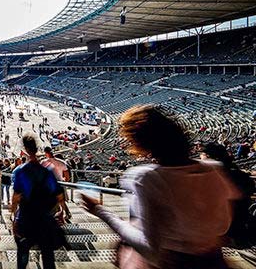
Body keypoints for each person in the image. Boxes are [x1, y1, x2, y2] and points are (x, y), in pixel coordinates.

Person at [82, 105, 241, 269]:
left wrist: (101, 212)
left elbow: (151, 252)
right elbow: (224, 225)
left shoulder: (147, 178)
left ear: (141, 144)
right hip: (215, 261)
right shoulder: (214, 169)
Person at [11, 134, 67, 269]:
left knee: (22, 253)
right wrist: (62, 211)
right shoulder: (47, 171)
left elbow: (16, 198)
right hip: (44, 220)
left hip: (26, 219)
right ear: (36, 149)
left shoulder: (20, 172)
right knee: (48, 257)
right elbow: (59, 196)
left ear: (25, 149)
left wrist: (13, 217)